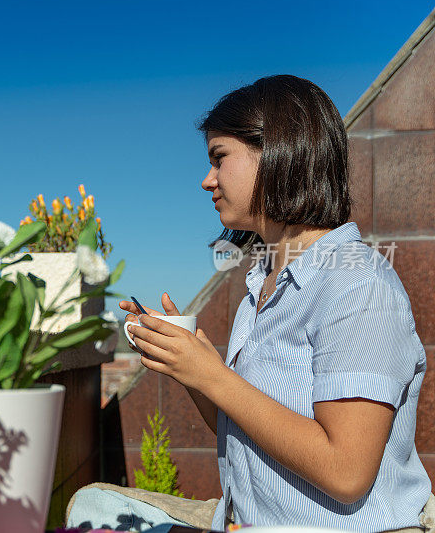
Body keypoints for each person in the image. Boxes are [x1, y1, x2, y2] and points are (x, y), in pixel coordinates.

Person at [66, 75, 435, 532]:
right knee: (91, 510)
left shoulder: (357, 284)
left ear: (279, 151)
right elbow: (242, 424)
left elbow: (346, 472)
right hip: (244, 522)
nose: (207, 181)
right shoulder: (263, 283)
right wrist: (187, 367)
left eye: (219, 159)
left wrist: (213, 375)